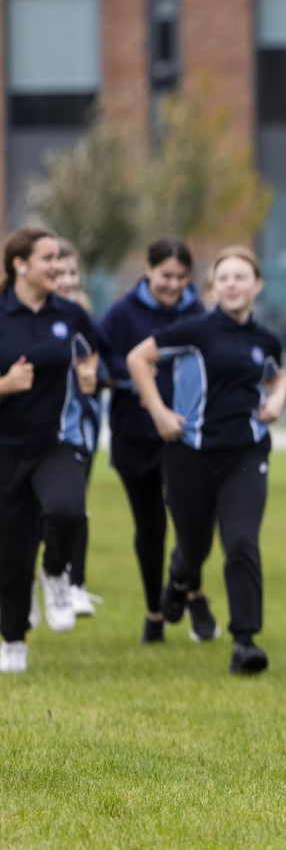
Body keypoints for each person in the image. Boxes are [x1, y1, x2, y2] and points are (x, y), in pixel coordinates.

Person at [127, 246, 286, 675]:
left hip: (246, 453)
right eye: (224, 277)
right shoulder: (194, 329)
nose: (232, 284)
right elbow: (137, 358)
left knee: (241, 542)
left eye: (241, 277)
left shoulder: (265, 339)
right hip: (190, 455)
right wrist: (159, 412)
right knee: (194, 549)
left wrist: (277, 400)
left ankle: (245, 642)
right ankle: (179, 580)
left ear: (257, 285)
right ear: (214, 286)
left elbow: (277, 377)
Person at [0, 227, 101, 671]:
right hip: (5, 450)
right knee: (12, 554)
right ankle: (12, 640)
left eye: (60, 258)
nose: (58, 267)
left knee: (67, 511)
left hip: (56, 442)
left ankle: (56, 571)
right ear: (20, 264)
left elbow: (91, 352)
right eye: (48, 258)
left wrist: (89, 373)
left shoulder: (70, 313)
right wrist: (6, 385)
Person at [99, 237, 205, 643]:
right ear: (148, 270)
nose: (173, 284)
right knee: (150, 526)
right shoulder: (122, 312)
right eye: (165, 275)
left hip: (184, 436)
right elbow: (102, 356)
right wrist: (134, 382)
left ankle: (187, 592)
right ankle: (154, 613)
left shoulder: (198, 313)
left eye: (181, 276)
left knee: (190, 523)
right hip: (134, 435)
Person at [49, 239, 101, 618]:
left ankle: (73, 582)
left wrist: (94, 374)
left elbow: (100, 356)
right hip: (23, 432)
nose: (67, 279)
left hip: (75, 427)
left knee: (73, 506)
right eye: (59, 272)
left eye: (72, 272)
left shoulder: (80, 316)